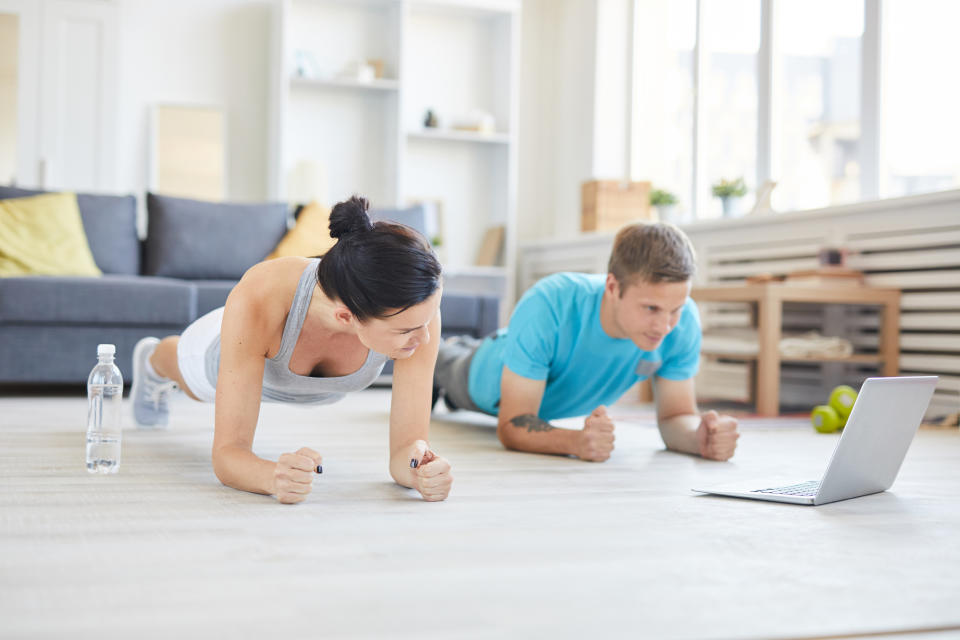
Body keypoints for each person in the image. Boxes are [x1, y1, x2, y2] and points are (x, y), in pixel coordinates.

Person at [131, 196, 453, 504]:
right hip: (219, 350)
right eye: (408, 331)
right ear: (346, 317)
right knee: (189, 379)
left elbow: (404, 453)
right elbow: (228, 456)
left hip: (291, 370)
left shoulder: (414, 311)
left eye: (425, 324)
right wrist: (272, 476)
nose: (425, 339)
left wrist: (419, 469)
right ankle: (152, 361)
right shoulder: (263, 294)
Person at [433, 222, 739, 462]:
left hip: (541, 393)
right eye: (651, 309)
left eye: (676, 309)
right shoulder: (550, 302)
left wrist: (699, 438)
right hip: (481, 374)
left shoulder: (682, 323)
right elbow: (512, 424)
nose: (665, 326)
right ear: (612, 286)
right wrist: (576, 442)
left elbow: (675, 418)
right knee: (439, 360)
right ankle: (453, 349)